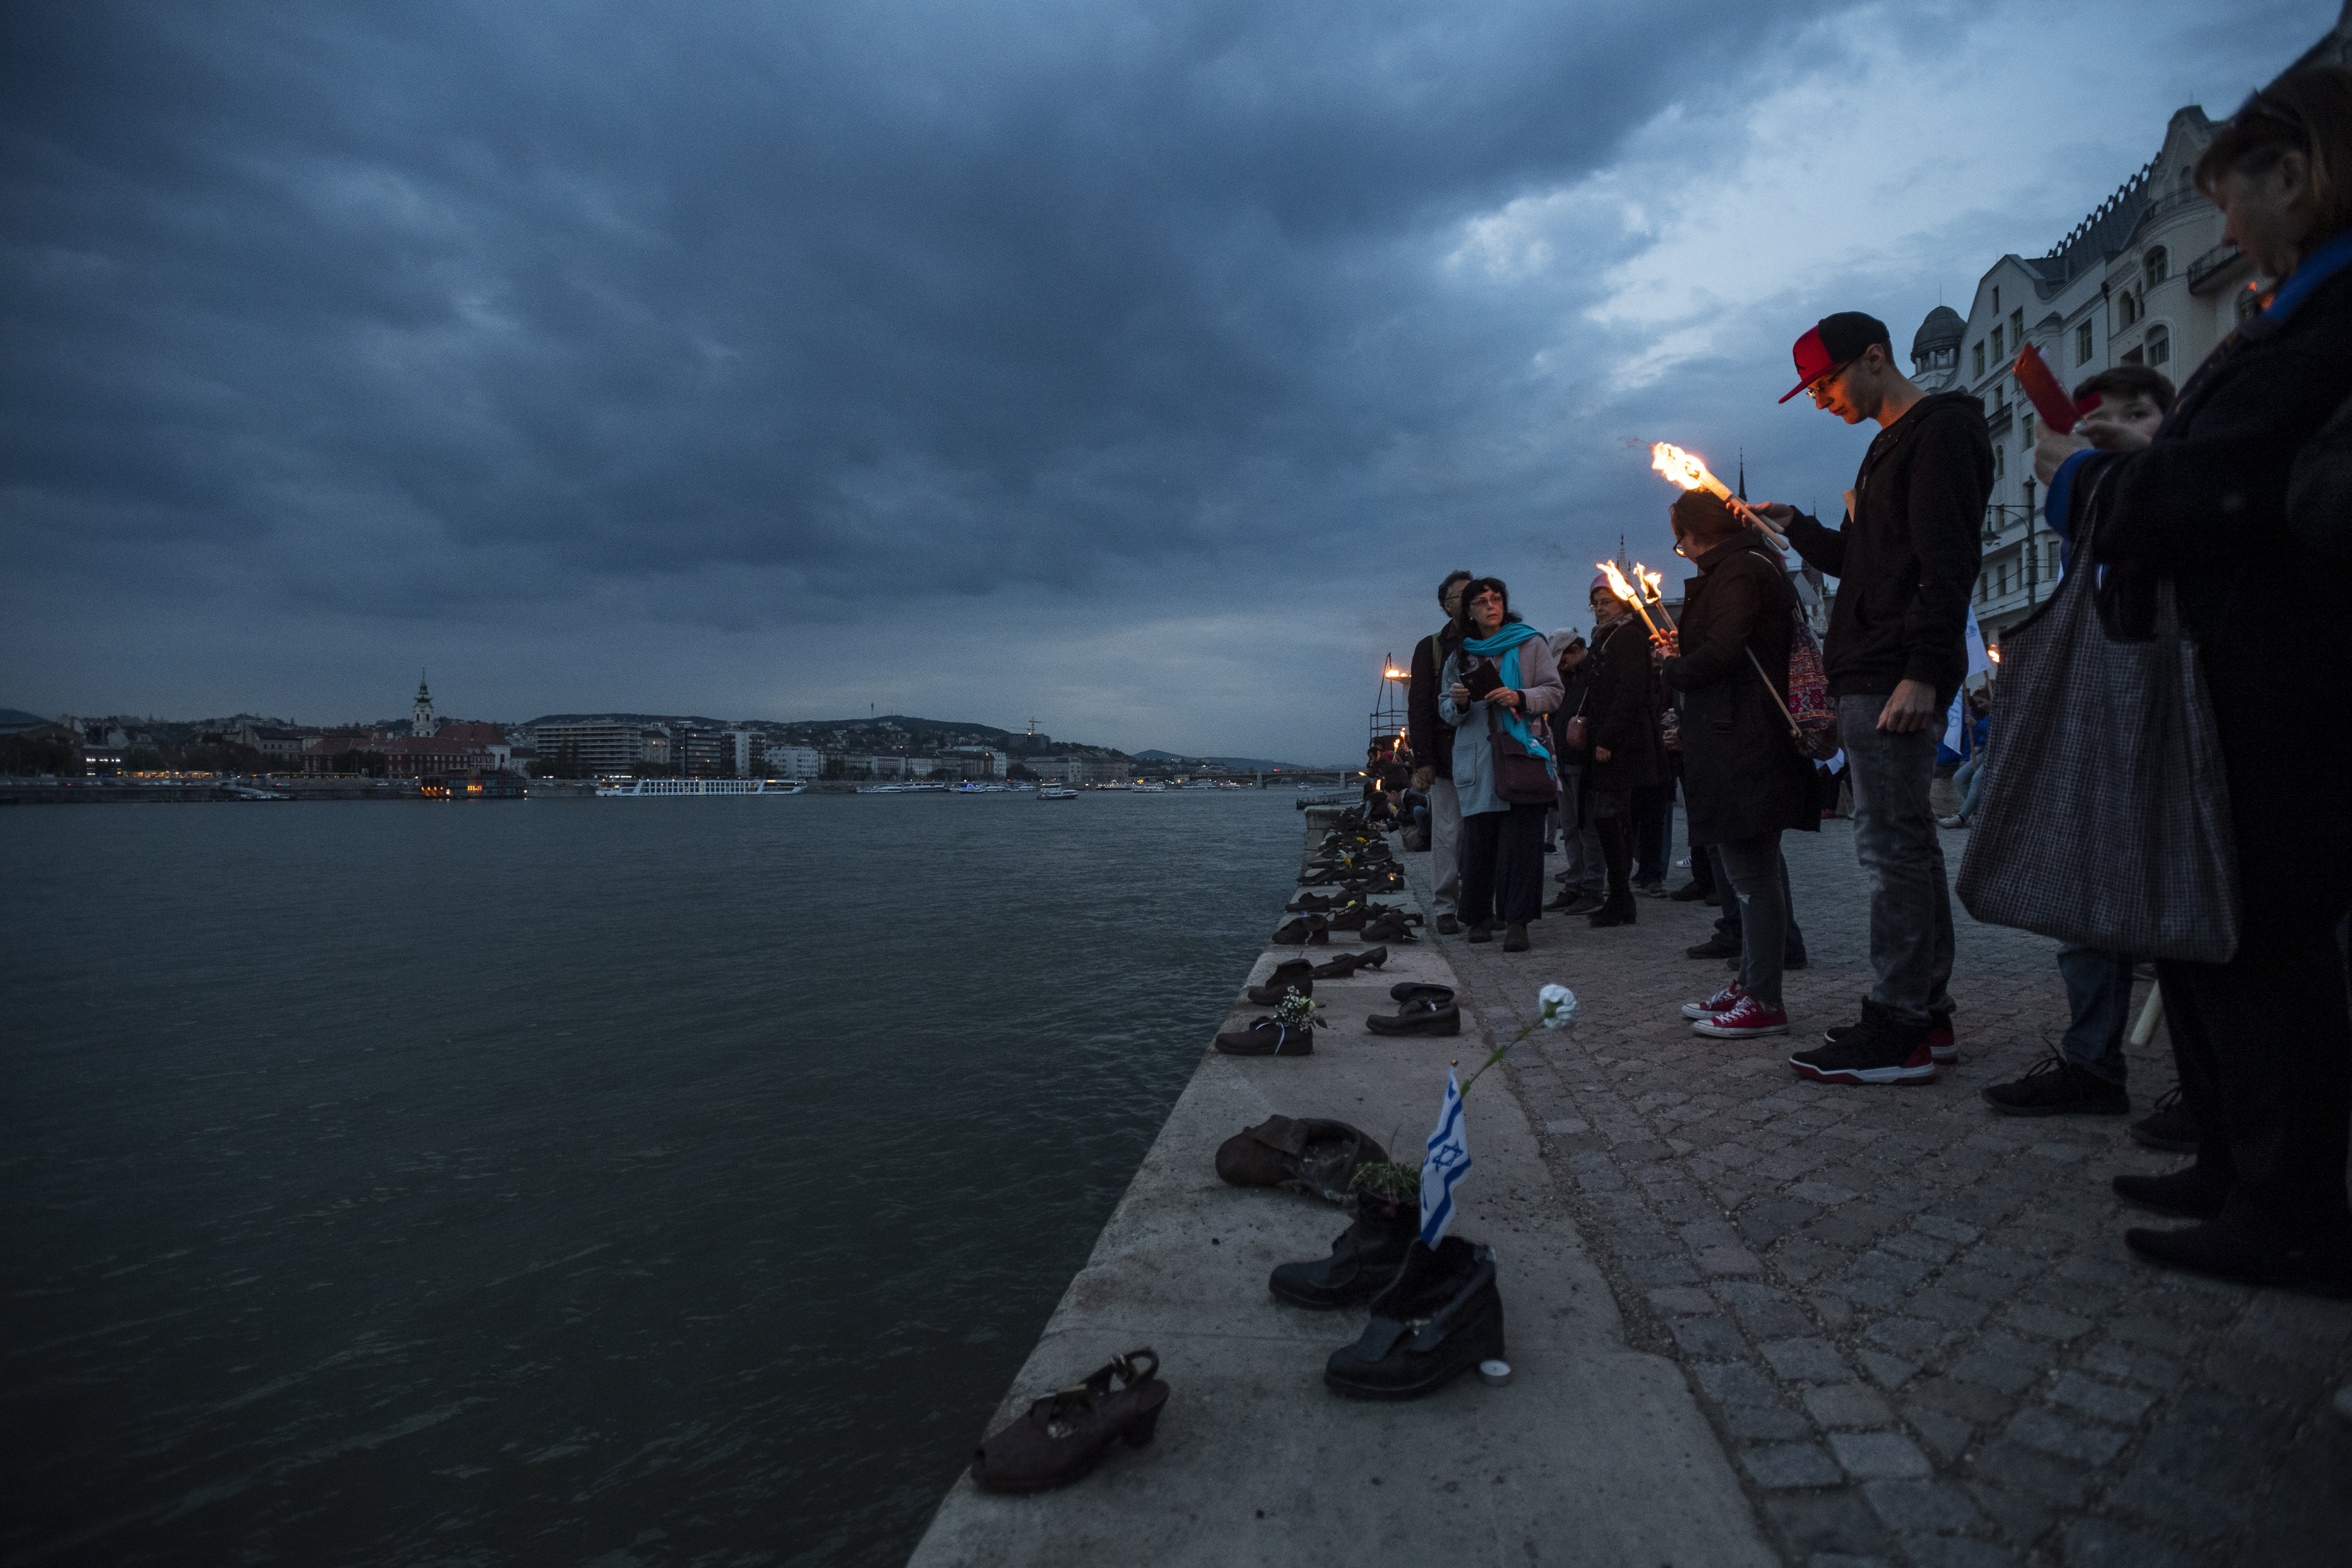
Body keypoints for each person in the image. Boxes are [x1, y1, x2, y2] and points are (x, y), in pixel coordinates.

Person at [2030, 68, 2352, 1290]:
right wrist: (2150, 451)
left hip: (2278, 675)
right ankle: (2233, 1158)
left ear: (2297, 172)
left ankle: (2294, 1205)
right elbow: (2222, 459)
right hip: (2229, 671)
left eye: (2232, 200)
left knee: (2267, 943)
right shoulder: (2297, 311)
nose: (2223, 229)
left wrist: (2082, 482)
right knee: (2217, 940)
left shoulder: (2329, 313)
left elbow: (2229, 489)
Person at [1748, 310, 1991, 1085]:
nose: (1820, 400)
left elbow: (1946, 559)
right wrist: (1803, 532)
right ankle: (1925, 1014)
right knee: (1905, 846)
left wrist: (1924, 670)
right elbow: (1871, 560)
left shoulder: (1939, 432)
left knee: (1891, 850)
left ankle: (1899, 1026)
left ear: (1875, 359)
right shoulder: (1888, 445)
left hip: (1891, 670)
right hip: (1872, 663)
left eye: (1825, 382)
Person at [1981, 366, 2175, 1116]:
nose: (2120, 426)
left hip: (2168, 724)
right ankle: (2092, 1063)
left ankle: (2216, 1088)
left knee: (2178, 907)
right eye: (2100, 417)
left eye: (2140, 414)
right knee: (2083, 903)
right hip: (2098, 724)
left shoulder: (2173, 499)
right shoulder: (2082, 526)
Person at [1653, 490, 1821, 1038]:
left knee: (1753, 875)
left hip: (1745, 741)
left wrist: (1675, 665)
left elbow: (1725, 652)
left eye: (1679, 537)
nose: (1680, 548)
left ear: (1697, 534)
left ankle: (1765, 998)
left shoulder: (1741, 572)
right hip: (1735, 736)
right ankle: (1753, 981)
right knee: (1748, 871)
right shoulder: (1743, 568)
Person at [1438, 578, 1565, 951]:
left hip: (1522, 753)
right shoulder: (1460, 655)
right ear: (1470, 611)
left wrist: (1520, 696)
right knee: (1480, 843)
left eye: (1496, 599)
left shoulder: (1531, 643)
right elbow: (1445, 709)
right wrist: (1459, 702)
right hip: (1479, 759)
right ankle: (1478, 917)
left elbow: (1555, 692)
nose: (1490, 606)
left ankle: (1517, 923)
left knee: (1523, 842)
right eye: (1481, 601)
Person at [1581, 571, 1666, 927]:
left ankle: (1621, 898)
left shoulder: (1629, 635)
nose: (1600, 609)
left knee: (1611, 817)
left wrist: (1607, 739)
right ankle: (1619, 896)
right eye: (1596, 604)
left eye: (1607, 602)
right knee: (1610, 819)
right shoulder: (1606, 637)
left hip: (1622, 746)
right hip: (1608, 743)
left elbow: (1630, 690)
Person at [1408, 571, 1473, 933]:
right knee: (1449, 832)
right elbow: (1419, 707)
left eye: (1473, 594)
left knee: (1484, 832)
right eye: (1460, 596)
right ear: (1446, 605)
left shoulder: (1495, 639)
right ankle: (1446, 906)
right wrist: (1425, 761)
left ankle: (1481, 901)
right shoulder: (1430, 647)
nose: (1468, 601)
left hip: (1489, 752)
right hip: (1448, 754)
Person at [1544, 632, 1606, 915]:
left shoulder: (1592, 675)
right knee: (1570, 827)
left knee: (1586, 827)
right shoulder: (1564, 680)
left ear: (1578, 650)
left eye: (1565, 657)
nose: (1562, 664)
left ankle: (1592, 887)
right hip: (1565, 762)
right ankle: (1575, 884)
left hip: (1583, 762)